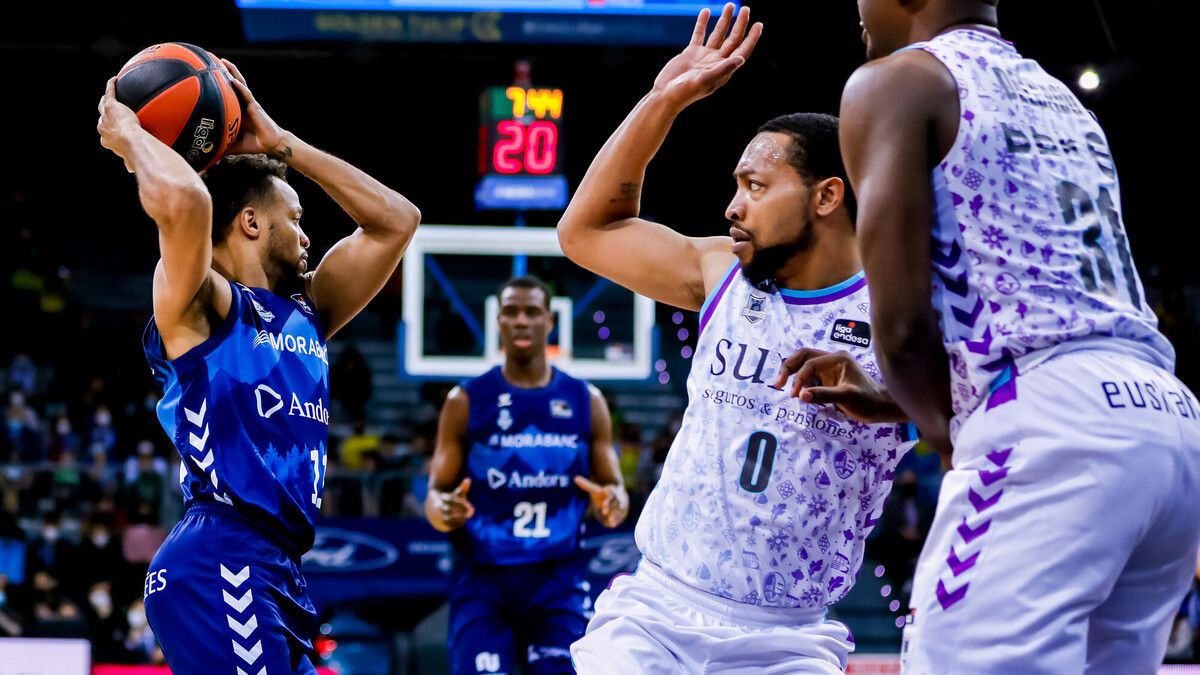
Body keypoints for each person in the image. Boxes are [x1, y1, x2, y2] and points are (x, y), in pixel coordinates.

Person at [839, 1, 1200, 671]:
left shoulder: (898, 82)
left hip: (1052, 431)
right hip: (1165, 419)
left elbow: (901, 325)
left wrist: (952, 438)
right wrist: (905, 403)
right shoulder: (1062, 99)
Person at [557, 5, 913, 672]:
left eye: (756, 186)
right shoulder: (722, 270)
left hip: (789, 637)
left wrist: (889, 400)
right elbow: (585, 233)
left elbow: (985, 418)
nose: (734, 205)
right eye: (735, 187)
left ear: (827, 195)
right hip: (655, 613)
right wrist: (661, 103)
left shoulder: (900, 310)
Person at [96, 54, 421, 673]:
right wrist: (131, 137)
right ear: (248, 222)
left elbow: (396, 221)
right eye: (295, 219)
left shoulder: (307, 312)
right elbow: (189, 200)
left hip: (280, 567)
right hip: (222, 555)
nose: (306, 237)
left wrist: (282, 144)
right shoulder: (201, 303)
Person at [425, 276, 628, 675]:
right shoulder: (465, 401)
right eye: (511, 312)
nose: (521, 321)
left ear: (550, 321)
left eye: (532, 312)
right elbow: (436, 495)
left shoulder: (586, 400)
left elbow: (614, 493)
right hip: (484, 580)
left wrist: (613, 504)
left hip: (558, 580)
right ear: (498, 320)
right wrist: (441, 511)